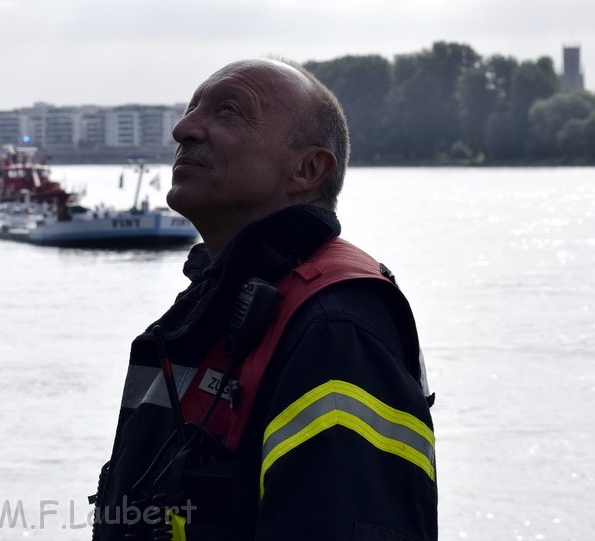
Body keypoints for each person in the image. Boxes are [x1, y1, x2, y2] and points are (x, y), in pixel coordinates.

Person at [90, 58, 437, 540]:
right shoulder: (218, 302)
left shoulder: (336, 326)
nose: (183, 128)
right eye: (192, 108)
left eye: (229, 111)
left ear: (308, 169)